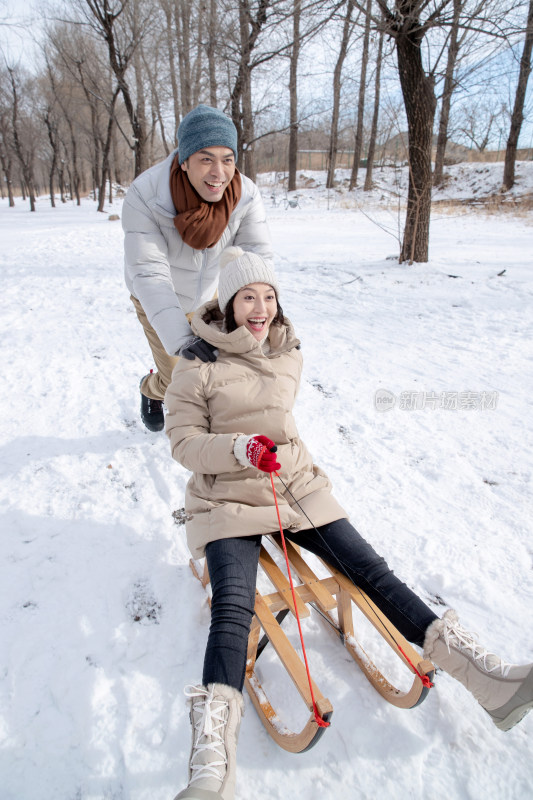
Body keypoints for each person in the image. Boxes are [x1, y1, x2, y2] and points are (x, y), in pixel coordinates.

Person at [165, 247, 533, 800]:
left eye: (269, 296)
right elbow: (183, 443)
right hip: (228, 497)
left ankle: (485, 681)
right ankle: (212, 767)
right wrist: (239, 447)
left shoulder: (288, 348)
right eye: (248, 297)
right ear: (228, 303)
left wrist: (282, 459)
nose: (260, 308)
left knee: (369, 568)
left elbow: (284, 426)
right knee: (234, 606)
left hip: (293, 485)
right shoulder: (198, 361)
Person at [122, 105, 272, 432]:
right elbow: (148, 272)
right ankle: (152, 389)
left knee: (222, 365)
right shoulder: (146, 195)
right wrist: (181, 340)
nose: (219, 172)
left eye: (227, 159)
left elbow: (256, 257)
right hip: (157, 296)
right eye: (206, 159)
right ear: (184, 160)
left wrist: (265, 312)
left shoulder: (245, 195)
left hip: (209, 294)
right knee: (178, 374)